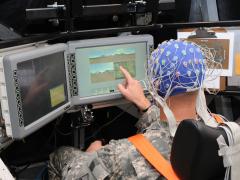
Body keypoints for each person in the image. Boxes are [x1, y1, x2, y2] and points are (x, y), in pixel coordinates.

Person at [48, 39, 220, 179]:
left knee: (59, 155)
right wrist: (144, 104)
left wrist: (90, 155)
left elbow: (74, 176)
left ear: (155, 84)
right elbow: (172, 130)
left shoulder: (119, 155)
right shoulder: (224, 130)